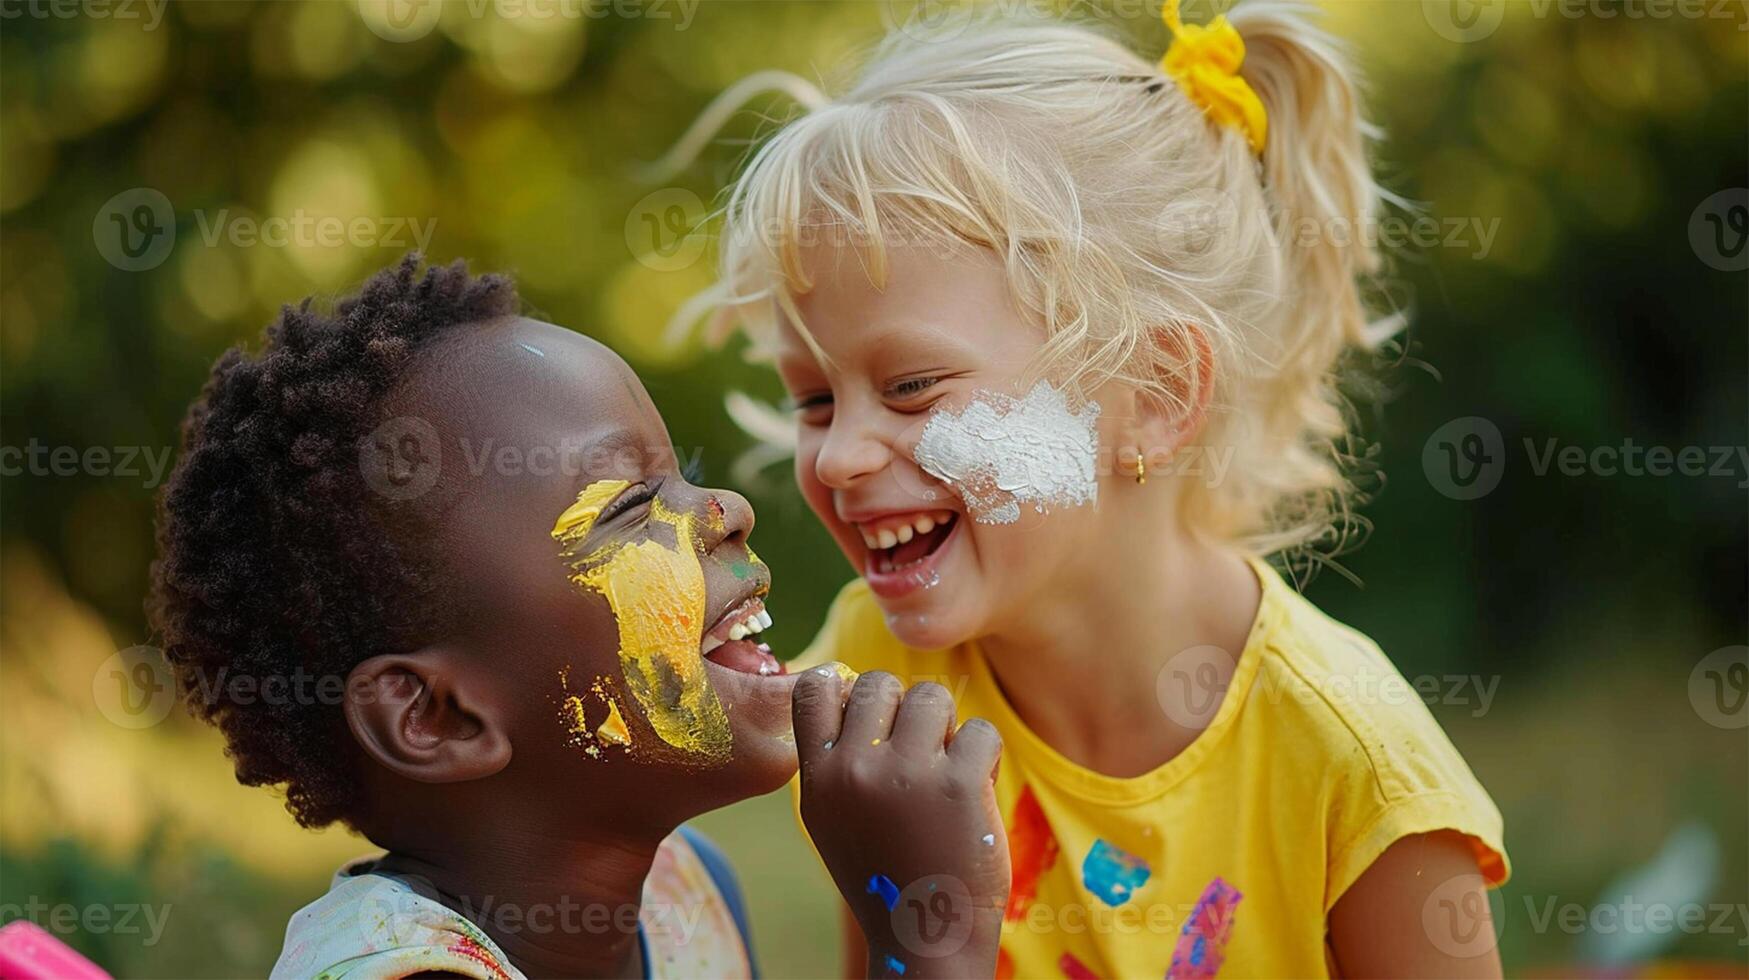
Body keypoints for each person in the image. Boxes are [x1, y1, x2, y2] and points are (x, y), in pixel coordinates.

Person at [681, 0, 1511, 974]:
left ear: (1156, 394)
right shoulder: (882, 679)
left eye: (910, 387)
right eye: (815, 399)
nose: (837, 455)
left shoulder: (1359, 775)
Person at [148, 256, 1008, 979]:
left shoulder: (685, 894)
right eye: (632, 506)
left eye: (682, 476)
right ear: (435, 715)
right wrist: (926, 944)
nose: (727, 508)